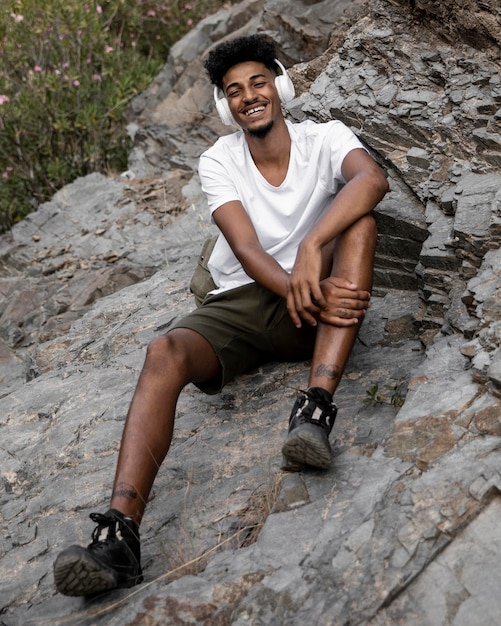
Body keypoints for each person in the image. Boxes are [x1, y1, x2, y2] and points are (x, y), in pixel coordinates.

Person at [53, 34, 389, 596]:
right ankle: (119, 537)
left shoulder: (326, 138)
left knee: (360, 223)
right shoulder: (219, 160)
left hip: (314, 307)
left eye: (258, 83)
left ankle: (315, 411)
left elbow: (371, 180)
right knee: (164, 351)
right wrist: (298, 289)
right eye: (234, 92)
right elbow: (248, 249)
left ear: (279, 85)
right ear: (223, 105)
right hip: (249, 301)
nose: (249, 97)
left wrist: (312, 248)